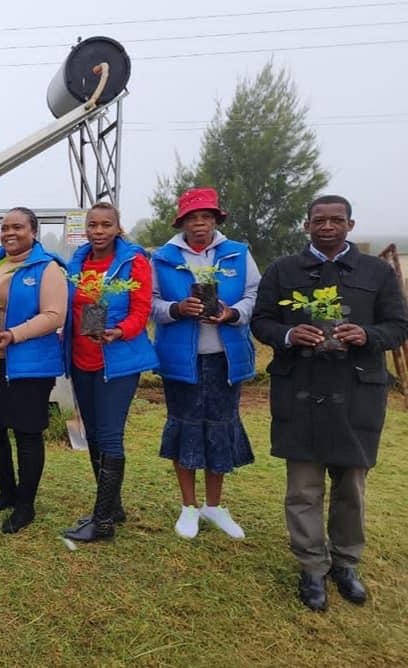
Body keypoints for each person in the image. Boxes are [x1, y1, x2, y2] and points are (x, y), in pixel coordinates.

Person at [251, 195, 408, 611]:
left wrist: (368, 336)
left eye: (336, 220)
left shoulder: (376, 272)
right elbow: (262, 320)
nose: (327, 226)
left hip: (357, 391)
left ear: (350, 225)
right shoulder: (284, 270)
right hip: (300, 388)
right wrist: (288, 335)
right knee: (302, 487)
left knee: (350, 486)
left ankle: (345, 562)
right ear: (306, 225)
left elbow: (398, 325)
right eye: (319, 220)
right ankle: (312, 567)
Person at [151, 187, 259, 540]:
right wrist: (176, 309)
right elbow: (149, 302)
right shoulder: (163, 258)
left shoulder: (237, 253)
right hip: (181, 360)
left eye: (207, 217)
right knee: (184, 427)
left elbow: (254, 295)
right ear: (182, 222)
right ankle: (188, 506)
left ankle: (214, 506)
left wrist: (232, 314)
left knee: (220, 428)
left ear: (216, 220)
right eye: (193, 218)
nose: (200, 224)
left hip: (226, 360)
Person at [0, 207, 68, 534]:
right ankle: (7, 492)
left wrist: (14, 335)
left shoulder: (46, 267)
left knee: (26, 432)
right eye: (5, 227)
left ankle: (26, 504)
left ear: (33, 231)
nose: (10, 233)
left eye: (18, 227)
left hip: (27, 366)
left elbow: (54, 315)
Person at [61, 202, 158, 543]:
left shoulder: (134, 261)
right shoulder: (78, 262)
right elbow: (71, 306)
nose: (98, 231)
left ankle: (102, 523)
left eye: (105, 225)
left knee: (110, 434)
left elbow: (142, 308)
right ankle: (112, 506)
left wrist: (121, 331)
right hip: (81, 359)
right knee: (93, 434)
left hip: (117, 360)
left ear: (118, 228)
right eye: (93, 225)